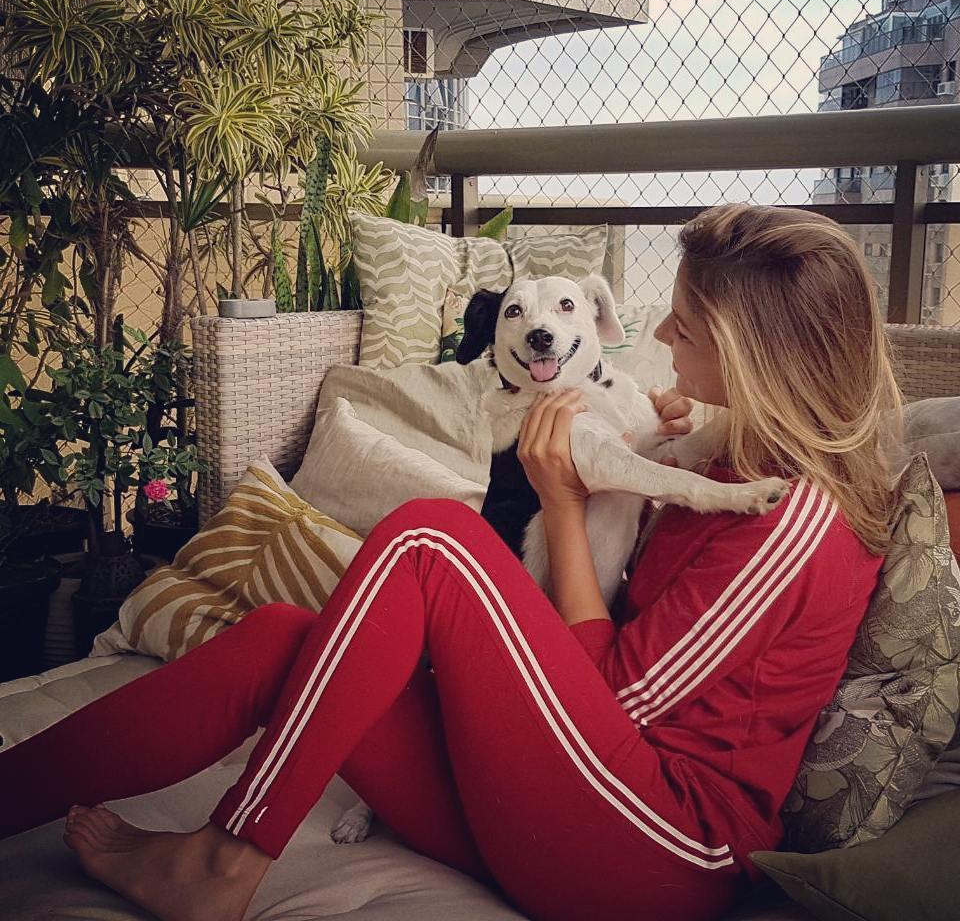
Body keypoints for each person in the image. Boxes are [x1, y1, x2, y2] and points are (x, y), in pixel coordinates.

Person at [0, 203, 901, 921]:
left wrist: (561, 503)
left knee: (434, 539)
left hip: (656, 847)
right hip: (572, 791)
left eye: (689, 327)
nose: (661, 332)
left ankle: (226, 858)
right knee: (283, 637)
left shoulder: (795, 519)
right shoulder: (734, 462)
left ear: (753, 355)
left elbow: (614, 702)